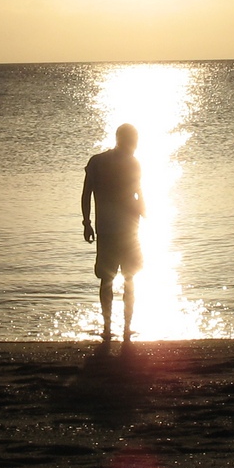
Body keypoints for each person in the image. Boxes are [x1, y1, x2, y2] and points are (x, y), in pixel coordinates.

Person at [81, 123, 144, 350]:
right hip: (119, 231)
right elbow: (87, 193)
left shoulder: (101, 162)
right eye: (133, 140)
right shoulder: (99, 162)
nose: (135, 145)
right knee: (122, 278)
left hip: (118, 230)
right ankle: (117, 328)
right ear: (123, 139)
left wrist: (87, 223)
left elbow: (138, 194)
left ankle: (117, 328)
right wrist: (86, 222)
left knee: (118, 278)